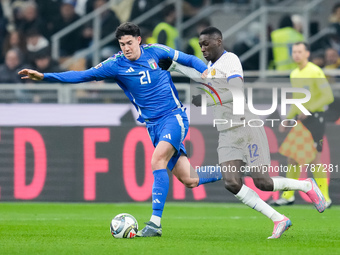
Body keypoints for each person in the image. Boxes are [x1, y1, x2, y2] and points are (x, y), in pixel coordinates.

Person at [18, 22, 222, 237]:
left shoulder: (157, 52)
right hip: (153, 126)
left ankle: (154, 224)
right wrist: (45, 76)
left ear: (139, 40)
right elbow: (82, 75)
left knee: (157, 160)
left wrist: (206, 71)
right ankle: (233, 171)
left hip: (174, 117)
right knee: (190, 179)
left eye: (129, 43)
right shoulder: (115, 65)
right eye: (122, 44)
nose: (126, 48)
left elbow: (188, 59)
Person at [166, 27, 327, 239]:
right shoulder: (212, 67)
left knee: (263, 182)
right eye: (200, 45)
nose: (203, 48)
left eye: (206, 44)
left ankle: (306, 185)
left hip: (246, 126)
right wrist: (174, 66)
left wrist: (209, 99)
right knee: (231, 182)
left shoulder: (230, 60)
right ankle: (279, 218)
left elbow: (237, 92)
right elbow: (199, 76)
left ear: (219, 41)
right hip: (226, 132)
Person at [271, 42, 334, 208]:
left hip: (316, 118)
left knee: (315, 159)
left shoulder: (315, 71)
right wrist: (288, 118)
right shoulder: (294, 74)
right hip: (302, 120)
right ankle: (288, 196)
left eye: (300, 51)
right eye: (294, 52)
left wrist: (309, 109)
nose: (297, 54)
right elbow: (297, 100)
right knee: (292, 158)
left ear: (307, 53)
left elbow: (328, 96)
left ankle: (325, 198)